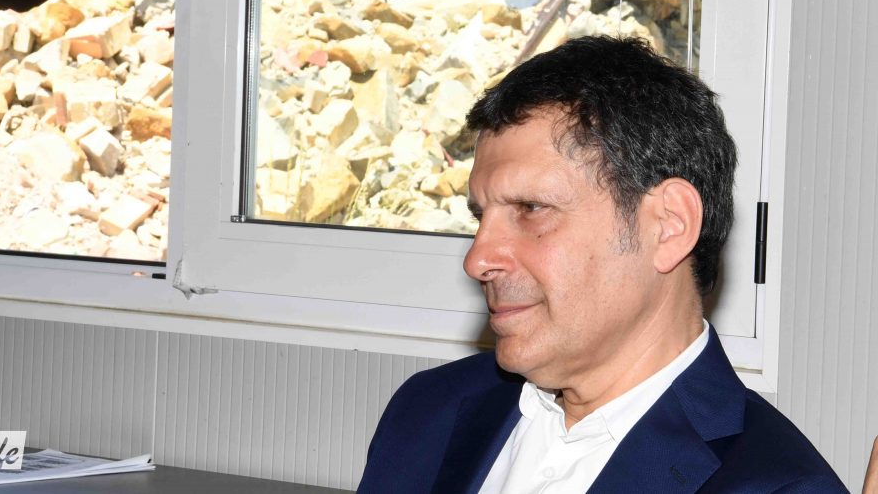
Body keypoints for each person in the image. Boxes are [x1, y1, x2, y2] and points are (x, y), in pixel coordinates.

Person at [358, 37, 847, 493]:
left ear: (669, 225)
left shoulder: (778, 484)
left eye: (531, 209)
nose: (477, 259)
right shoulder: (428, 411)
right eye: (480, 217)